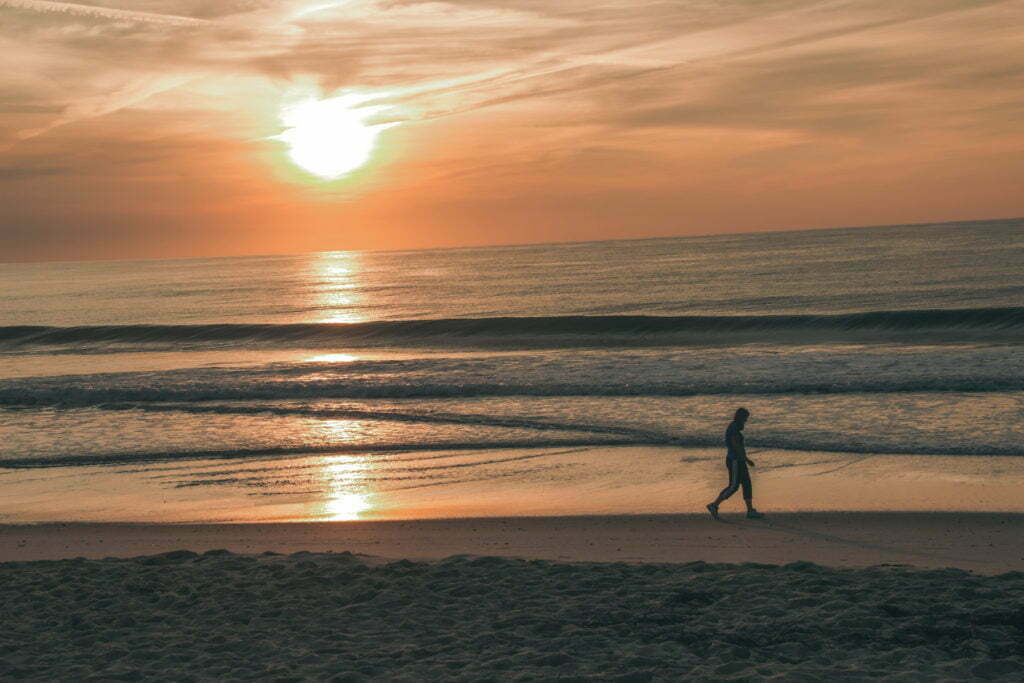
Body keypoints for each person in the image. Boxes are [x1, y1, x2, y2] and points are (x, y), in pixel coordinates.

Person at [707, 407, 764, 519]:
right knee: (733, 487)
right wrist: (747, 460)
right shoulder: (733, 428)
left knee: (747, 484)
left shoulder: (735, 427)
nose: (746, 421)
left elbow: (738, 446)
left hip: (739, 460)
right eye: (745, 418)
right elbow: (736, 446)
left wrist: (745, 459)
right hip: (735, 461)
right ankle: (714, 505)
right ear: (740, 417)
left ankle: (750, 510)